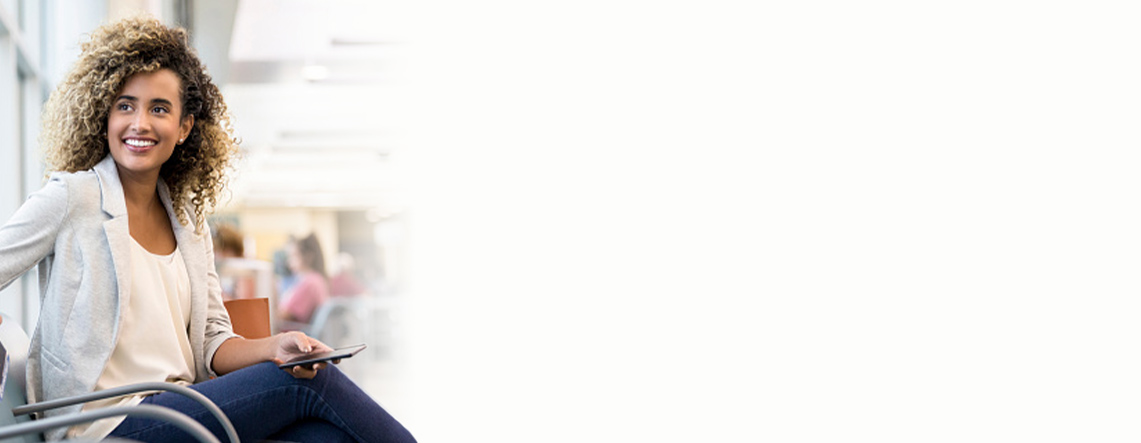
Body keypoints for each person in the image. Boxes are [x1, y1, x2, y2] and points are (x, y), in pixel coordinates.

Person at [0, 16, 415, 443]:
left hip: (185, 409)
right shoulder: (74, 198)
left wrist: (276, 347)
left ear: (184, 128)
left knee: (321, 436)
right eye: (125, 105)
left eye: (159, 109)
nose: (139, 123)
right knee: (313, 384)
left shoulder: (187, 220)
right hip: (107, 425)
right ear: (104, 116)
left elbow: (213, 342)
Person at [278, 233, 331, 323]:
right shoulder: (315, 279)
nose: (289, 261)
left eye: (293, 256)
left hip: (295, 333)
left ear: (308, 257)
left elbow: (285, 315)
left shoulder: (310, 283)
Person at [213, 223, 257, 300]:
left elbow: (244, 300)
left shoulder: (246, 272)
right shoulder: (218, 273)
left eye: (224, 251)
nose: (219, 256)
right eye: (215, 251)